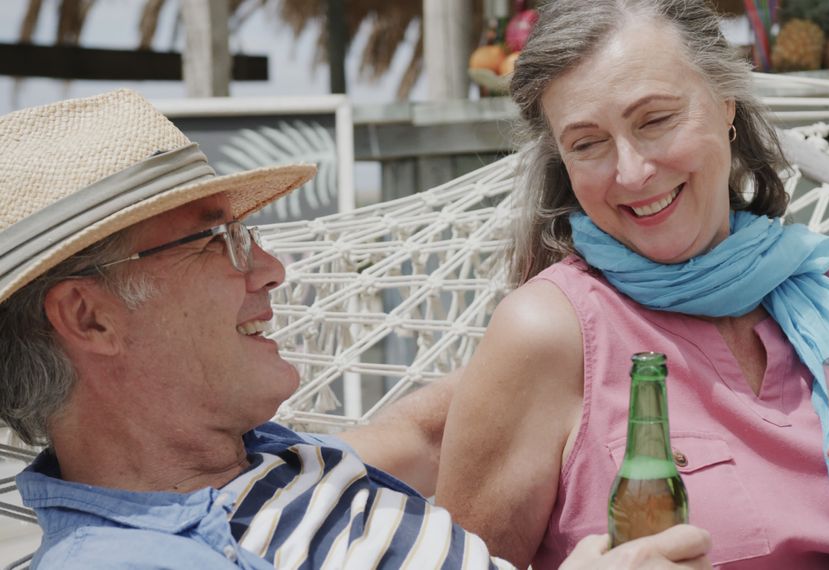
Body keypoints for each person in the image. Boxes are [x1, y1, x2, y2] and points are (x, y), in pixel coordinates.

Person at [0, 89, 712, 569]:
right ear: (89, 317)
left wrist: (628, 309)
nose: (270, 267)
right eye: (218, 239)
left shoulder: (260, 466)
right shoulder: (131, 558)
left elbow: (433, 432)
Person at [434, 1, 829, 569]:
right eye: (587, 144)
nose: (631, 173)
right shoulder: (549, 331)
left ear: (726, 105)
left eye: (654, 120)